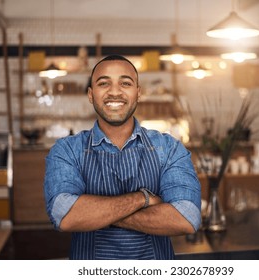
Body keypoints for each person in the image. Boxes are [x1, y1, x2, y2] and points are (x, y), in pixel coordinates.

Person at [44, 54, 201, 260]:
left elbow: (186, 218)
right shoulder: (67, 150)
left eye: (125, 83)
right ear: (91, 95)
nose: (115, 92)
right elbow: (65, 215)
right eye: (104, 83)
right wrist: (143, 198)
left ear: (138, 93)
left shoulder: (169, 148)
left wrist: (96, 213)